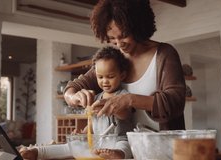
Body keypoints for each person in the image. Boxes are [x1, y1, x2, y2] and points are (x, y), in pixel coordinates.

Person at [64, 0, 186, 131]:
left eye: (124, 36)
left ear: (138, 28)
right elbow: (72, 89)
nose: (119, 44)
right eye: (112, 38)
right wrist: (73, 97)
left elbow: (176, 101)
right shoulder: (114, 59)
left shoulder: (164, 54)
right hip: (125, 149)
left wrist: (129, 100)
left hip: (163, 146)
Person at [19, 47, 133, 160]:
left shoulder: (123, 96)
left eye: (110, 76)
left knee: (125, 144)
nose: (105, 81)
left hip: (117, 141)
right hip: (98, 142)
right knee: (71, 146)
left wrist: (113, 108)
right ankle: (39, 152)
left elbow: (126, 115)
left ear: (122, 75)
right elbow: (93, 125)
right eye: (100, 77)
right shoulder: (97, 97)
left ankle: (118, 155)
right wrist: (83, 133)